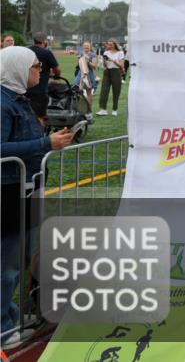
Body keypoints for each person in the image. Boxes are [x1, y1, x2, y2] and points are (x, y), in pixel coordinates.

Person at [1, 47, 73, 348]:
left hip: (23, 187)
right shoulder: (4, 104)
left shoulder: (17, 98)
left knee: (17, 259)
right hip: (9, 190)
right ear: (18, 68)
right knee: (8, 263)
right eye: (34, 66)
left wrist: (49, 141)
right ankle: (3, 329)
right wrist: (46, 142)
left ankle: (10, 315)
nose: (39, 71)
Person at [26, 33, 60, 125]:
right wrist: (55, 75)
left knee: (25, 115)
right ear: (44, 41)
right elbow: (57, 70)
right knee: (40, 116)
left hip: (24, 89)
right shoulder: (47, 53)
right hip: (39, 90)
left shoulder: (26, 51)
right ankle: (40, 136)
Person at [95, 40, 125, 116]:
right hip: (107, 72)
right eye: (108, 44)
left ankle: (115, 109)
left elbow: (121, 65)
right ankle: (103, 109)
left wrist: (114, 61)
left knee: (116, 91)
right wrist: (104, 61)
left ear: (115, 45)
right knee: (104, 90)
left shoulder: (120, 53)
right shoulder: (106, 53)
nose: (109, 46)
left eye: (111, 44)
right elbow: (105, 65)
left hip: (116, 72)